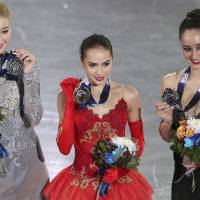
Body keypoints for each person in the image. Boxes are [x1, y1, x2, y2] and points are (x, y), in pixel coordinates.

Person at [43, 33, 153, 200]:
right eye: (93, 65)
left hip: (119, 183)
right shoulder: (66, 97)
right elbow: (64, 148)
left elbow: (139, 140)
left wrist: (119, 165)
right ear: (82, 63)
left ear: (112, 61)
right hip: (81, 183)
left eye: (106, 64)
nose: (100, 72)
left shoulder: (129, 95)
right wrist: (71, 104)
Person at [0, 2, 49, 200]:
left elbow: (34, 117)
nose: (1, 39)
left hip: (26, 166)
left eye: (5, 30)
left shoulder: (19, 63)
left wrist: (29, 75)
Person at [155, 8, 200, 200]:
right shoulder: (170, 83)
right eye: (187, 48)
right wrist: (166, 123)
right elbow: (169, 137)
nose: (194, 55)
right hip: (183, 175)